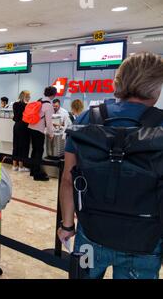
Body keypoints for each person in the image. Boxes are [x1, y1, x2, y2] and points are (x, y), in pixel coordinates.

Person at [58, 52, 163, 279]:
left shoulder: (88, 118)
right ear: (155, 88)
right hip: (144, 240)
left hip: (91, 233)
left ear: (119, 81)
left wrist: (67, 226)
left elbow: (68, 178)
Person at [28, 86, 56, 181]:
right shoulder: (48, 105)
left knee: (34, 150)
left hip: (31, 127)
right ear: (53, 95)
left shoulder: (39, 100)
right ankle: (37, 174)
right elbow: (48, 122)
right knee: (39, 151)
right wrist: (51, 134)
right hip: (39, 130)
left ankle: (32, 171)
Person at [12, 90, 31, 172]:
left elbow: (15, 117)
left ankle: (14, 165)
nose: (29, 98)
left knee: (16, 144)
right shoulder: (27, 106)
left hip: (16, 126)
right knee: (23, 146)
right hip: (24, 127)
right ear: (25, 97)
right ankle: (21, 166)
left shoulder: (15, 104)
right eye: (28, 96)